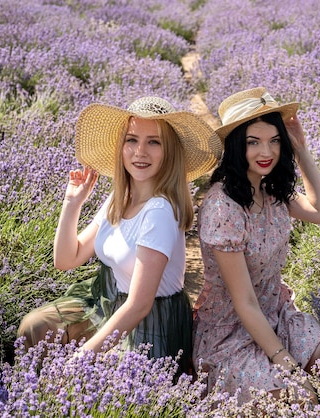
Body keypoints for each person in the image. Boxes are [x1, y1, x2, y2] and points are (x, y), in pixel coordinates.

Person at [18, 96, 221, 376]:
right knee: (35, 326)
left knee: (99, 381)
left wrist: (81, 357)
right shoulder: (121, 196)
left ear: (169, 151)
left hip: (150, 324)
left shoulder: (160, 211)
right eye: (131, 140)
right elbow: (67, 259)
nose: (140, 151)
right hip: (107, 301)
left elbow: (139, 306)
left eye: (154, 142)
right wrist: (72, 204)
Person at [192, 87, 320, 403]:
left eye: (274, 140)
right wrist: (288, 365)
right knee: (298, 400)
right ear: (235, 147)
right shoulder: (223, 206)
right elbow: (244, 302)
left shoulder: (272, 190)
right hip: (231, 329)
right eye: (253, 142)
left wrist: (300, 149)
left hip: (274, 313)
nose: (266, 152)